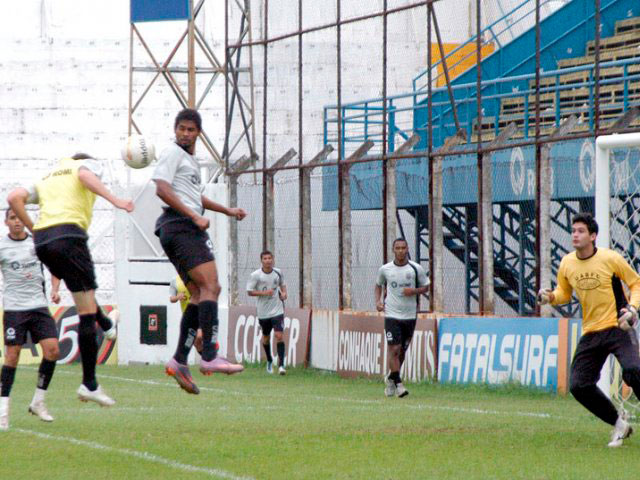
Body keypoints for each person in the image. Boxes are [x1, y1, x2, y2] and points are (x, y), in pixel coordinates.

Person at [7, 152, 132, 407]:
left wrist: (34, 229)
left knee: (82, 294)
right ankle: (89, 383)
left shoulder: (48, 176)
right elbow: (86, 176)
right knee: (86, 311)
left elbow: (13, 197)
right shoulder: (83, 167)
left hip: (44, 242)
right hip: (70, 236)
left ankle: (107, 325)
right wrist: (115, 200)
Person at [153, 108, 246, 395]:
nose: (185, 133)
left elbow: (194, 197)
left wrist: (227, 210)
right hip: (182, 226)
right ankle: (209, 356)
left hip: (174, 227)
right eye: (181, 128)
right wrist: (194, 218)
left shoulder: (188, 161)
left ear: (198, 133)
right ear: (175, 129)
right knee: (212, 287)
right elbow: (161, 188)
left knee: (196, 293)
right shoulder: (173, 153)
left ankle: (180, 360)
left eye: (190, 130)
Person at [538, 212, 640, 447]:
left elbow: (636, 282)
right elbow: (564, 293)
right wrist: (551, 297)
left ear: (593, 236)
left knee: (633, 371)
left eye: (581, 231)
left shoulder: (610, 259)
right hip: (592, 331)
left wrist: (632, 309)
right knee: (578, 385)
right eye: (573, 230)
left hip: (618, 327)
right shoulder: (567, 263)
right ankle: (619, 424)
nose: (575, 234)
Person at [0, 209, 62, 430]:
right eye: (13, 218)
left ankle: (38, 401)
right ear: (6, 222)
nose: (17, 222)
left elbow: (55, 267)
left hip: (38, 306)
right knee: (13, 355)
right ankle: (3, 410)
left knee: (53, 350)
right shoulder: (2, 246)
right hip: (15, 309)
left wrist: (55, 289)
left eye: (20, 218)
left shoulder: (38, 244)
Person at [375, 238, 429, 398]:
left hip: (410, 315)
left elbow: (426, 287)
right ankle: (399, 384)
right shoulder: (385, 269)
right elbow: (378, 285)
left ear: (407, 249)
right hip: (391, 314)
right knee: (394, 349)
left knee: (402, 352)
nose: (400, 251)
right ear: (393, 250)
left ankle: (391, 378)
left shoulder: (415, 268)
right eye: (397, 248)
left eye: (403, 248)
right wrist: (378, 301)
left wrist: (413, 291)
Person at [247, 251, 288, 375]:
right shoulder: (256, 275)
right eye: (265, 258)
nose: (268, 260)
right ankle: (269, 360)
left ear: (273, 259)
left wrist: (284, 294)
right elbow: (249, 291)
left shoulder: (278, 272)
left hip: (277, 309)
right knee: (266, 337)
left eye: (270, 258)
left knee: (279, 335)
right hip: (263, 312)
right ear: (261, 260)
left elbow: (283, 285)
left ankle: (281, 365)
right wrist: (264, 293)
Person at [169, 275, 203, 354]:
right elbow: (171, 298)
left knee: (199, 336)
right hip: (188, 315)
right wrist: (178, 297)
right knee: (196, 343)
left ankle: (210, 348)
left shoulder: (196, 277)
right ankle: (209, 358)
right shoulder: (175, 280)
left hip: (200, 311)